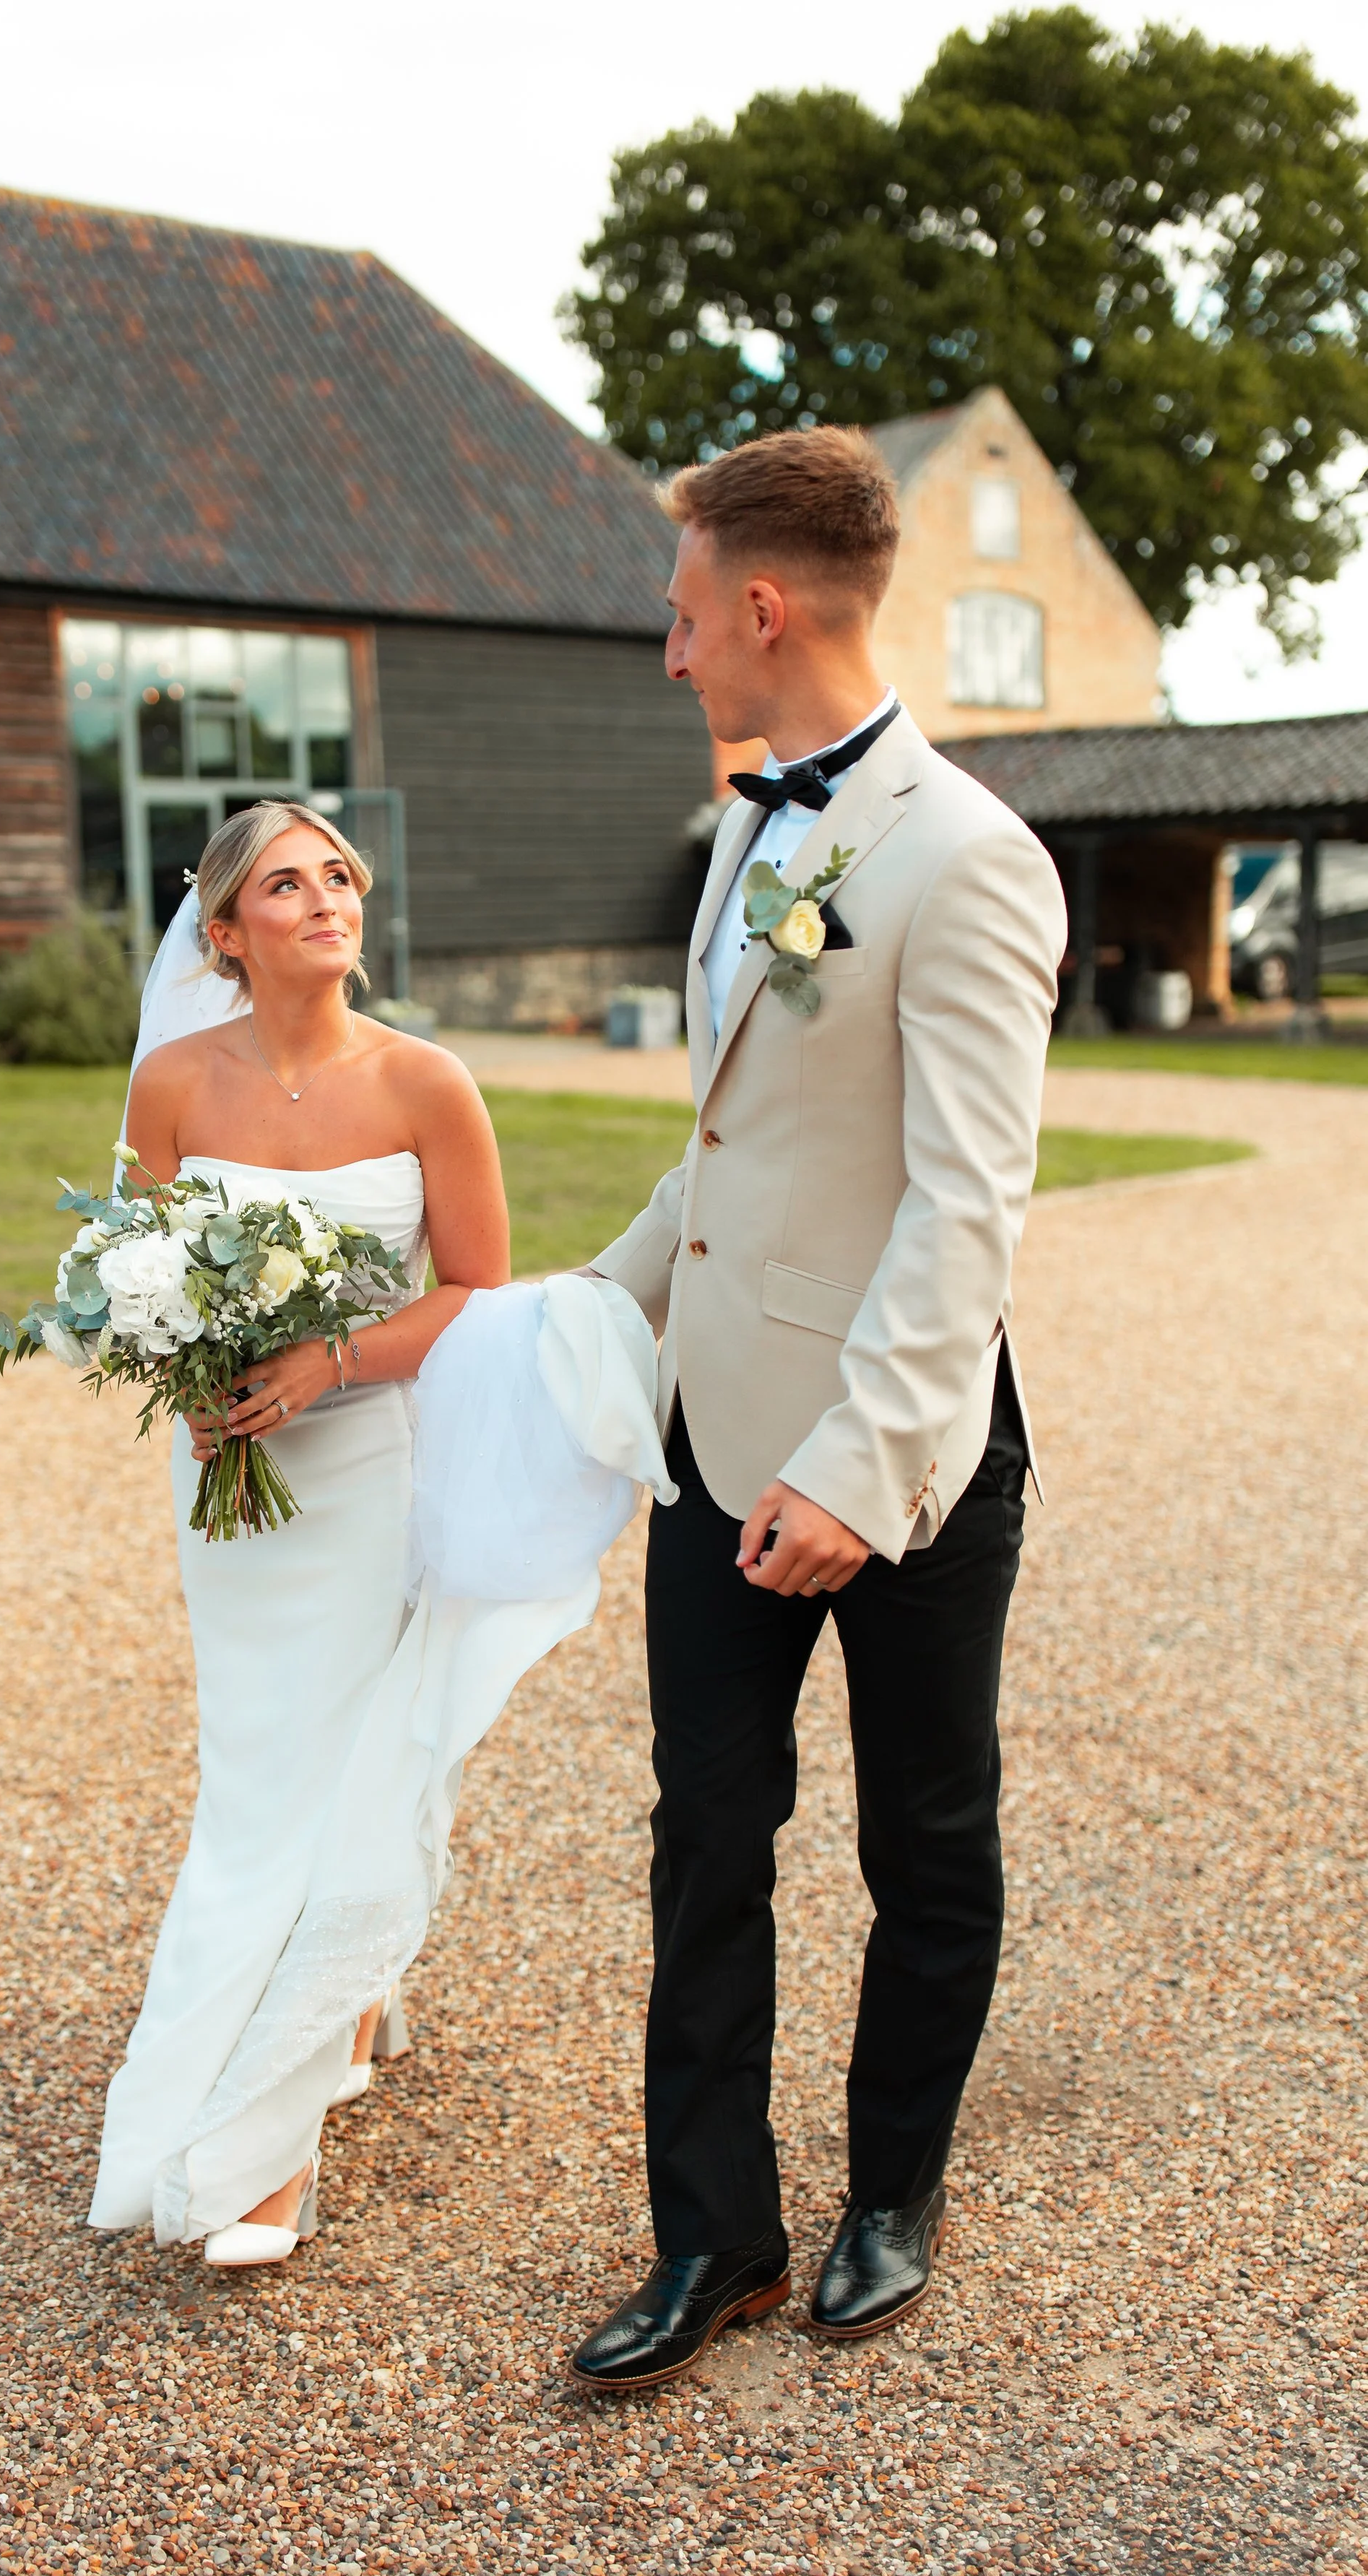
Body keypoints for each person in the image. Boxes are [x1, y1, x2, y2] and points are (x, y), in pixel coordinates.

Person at [568, 427, 1067, 2393]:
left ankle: (893, 2189)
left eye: (683, 612)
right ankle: (713, 2235)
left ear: (762, 607)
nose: (669, 648)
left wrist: (858, 1468)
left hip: (909, 1460)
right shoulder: (750, 837)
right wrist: (573, 1310)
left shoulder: (967, 856)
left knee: (925, 1834)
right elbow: (736, 1150)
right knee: (706, 1830)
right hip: (715, 1434)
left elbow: (966, 1204)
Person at [87, 799, 669, 2269]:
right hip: (229, 1476)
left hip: (369, 1465)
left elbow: (477, 1290)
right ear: (224, 933)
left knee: (348, 1764)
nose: (326, 899)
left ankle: (262, 2144)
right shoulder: (170, 1082)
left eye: (337, 876)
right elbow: (136, 1271)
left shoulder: (426, 1084)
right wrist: (199, 1373)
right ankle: (335, 1991)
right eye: (286, 884)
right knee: (258, 1766)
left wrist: (322, 1365)